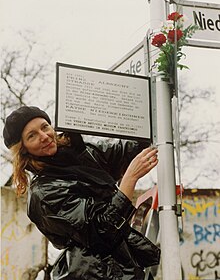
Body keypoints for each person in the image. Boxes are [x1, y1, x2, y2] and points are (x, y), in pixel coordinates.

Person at [3, 106, 160, 280]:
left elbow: (126, 150)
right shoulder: (44, 193)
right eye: (32, 136)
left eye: (45, 126)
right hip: (93, 273)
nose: (44, 136)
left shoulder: (84, 153)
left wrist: (151, 114)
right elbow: (101, 230)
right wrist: (130, 179)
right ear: (23, 149)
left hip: (127, 266)